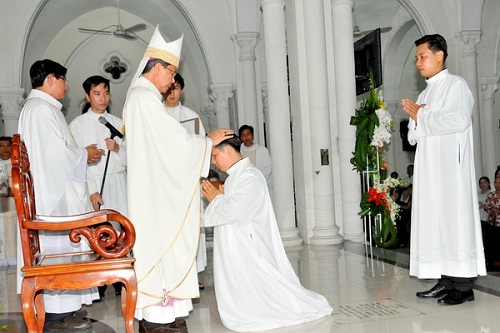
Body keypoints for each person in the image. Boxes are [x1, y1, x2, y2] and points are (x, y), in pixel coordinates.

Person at [123, 26, 232, 333]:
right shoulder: (144, 99)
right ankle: (159, 318)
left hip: (156, 188)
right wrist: (206, 142)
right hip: (156, 194)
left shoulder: (143, 98)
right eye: (171, 72)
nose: (172, 80)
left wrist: (200, 144)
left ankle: (165, 312)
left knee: (163, 248)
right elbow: (174, 145)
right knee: (161, 246)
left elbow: (167, 144)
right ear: (157, 67)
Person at [201, 135, 333, 332]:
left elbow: (236, 212)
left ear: (227, 150)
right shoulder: (236, 176)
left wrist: (216, 199)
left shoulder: (249, 176)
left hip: (249, 246)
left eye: (214, 155)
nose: (213, 161)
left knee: (261, 290)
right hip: (238, 243)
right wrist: (219, 197)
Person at [18, 59, 104, 330]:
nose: (67, 86)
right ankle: (57, 313)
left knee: (66, 253)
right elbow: (55, 156)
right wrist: (83, 154)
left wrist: (79, 154)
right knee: (61, 252)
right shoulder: (41, 110)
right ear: (51, 79)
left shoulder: (42, 108)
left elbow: (57, 151)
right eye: (64, 79)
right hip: (53, 200)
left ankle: (64, 310)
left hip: (54, 192)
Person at [401, 34, 486, 305]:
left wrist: (421, 115)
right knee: (436, 222)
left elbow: (459, 120)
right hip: (431, 170)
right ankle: (445, 280)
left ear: (439, 56)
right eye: (416, 58)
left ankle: (463, 287)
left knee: (454, 223)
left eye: (422, 56)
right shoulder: (426, 92)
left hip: (450, 170)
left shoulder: (455, 85)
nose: (418, 62)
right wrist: (416, 119)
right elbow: (414, 137)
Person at [69, 75, 126, 299]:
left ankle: (121, 278)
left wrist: (118, 149)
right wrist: (92, 190)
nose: (102, 98)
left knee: (120, 231)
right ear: (87, 96)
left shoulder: (118, 122)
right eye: (97, 94)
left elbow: (132, 156)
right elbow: (75, 160)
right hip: (93, 185)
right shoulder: (78, 124)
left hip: (118, 181)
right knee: (99, 233)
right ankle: (100, 281)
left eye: (106, 93)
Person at [163, 73, 207, 289]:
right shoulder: (156, 115)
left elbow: (201, 147)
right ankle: (168, 274)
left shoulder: (192, 117)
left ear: (182, 90)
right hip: (163, 182)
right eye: (169, 88)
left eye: (177, 88)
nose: (172, 93)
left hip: (187, 180)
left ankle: (192, 273)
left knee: (189, 226)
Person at [238, 125, 273, 195]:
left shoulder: (263, 151)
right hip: (244, 187)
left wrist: (256, 181)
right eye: (243, 135)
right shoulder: (238, 152)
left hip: (260, 186)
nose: (246, 137)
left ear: (253, 135)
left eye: (248, 134)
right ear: (241, 138)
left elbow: (268, 169)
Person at [482, 177, 500, 271]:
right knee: (494, 242)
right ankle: (494, 262)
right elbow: (486, 207)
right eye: (495, 182)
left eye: (499, 182)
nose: (497, 184)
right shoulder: (490, 195)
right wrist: (495, 211)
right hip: (492, 222)